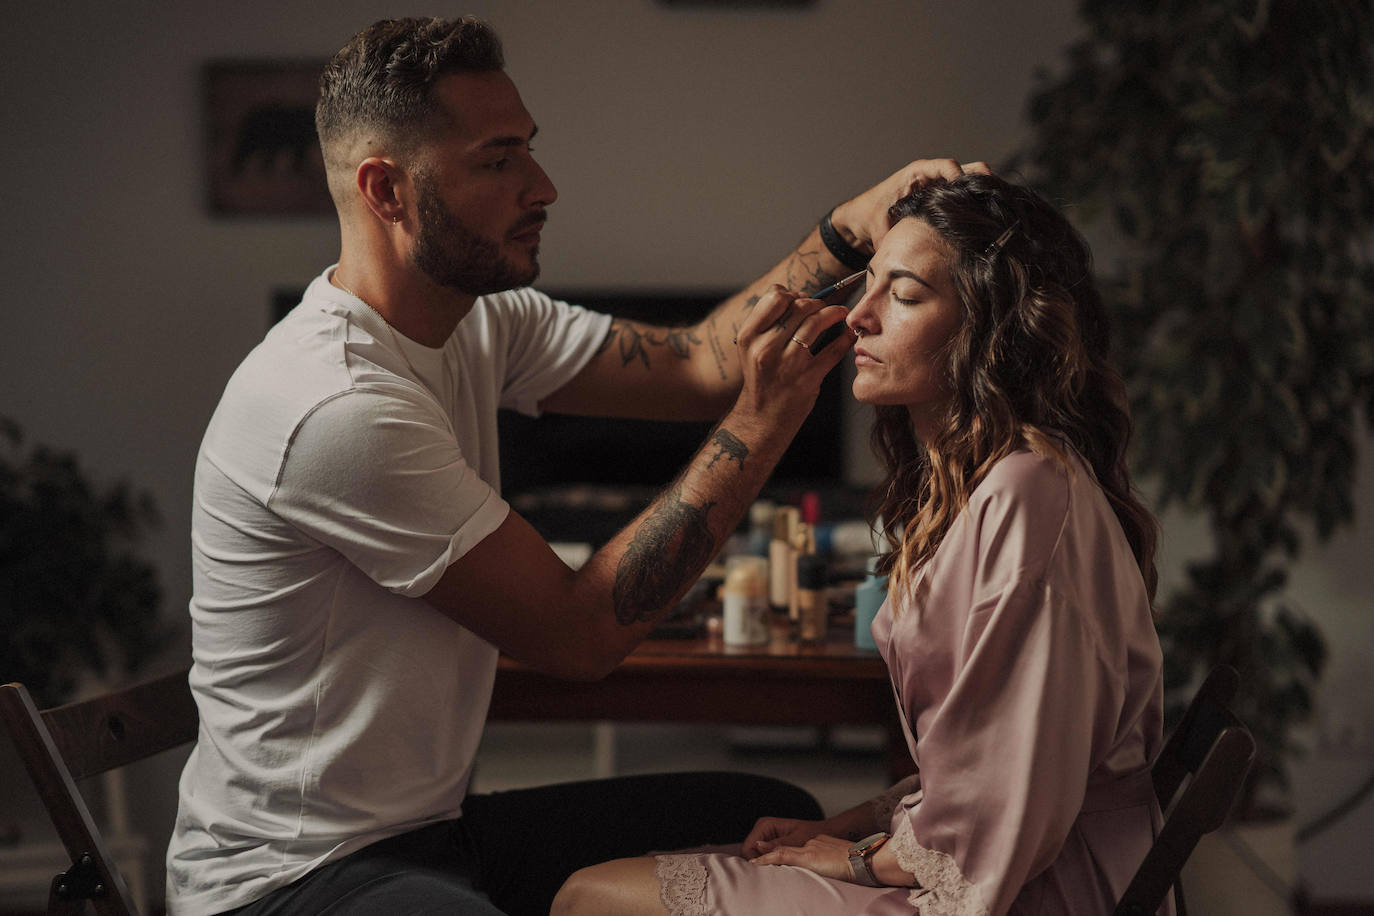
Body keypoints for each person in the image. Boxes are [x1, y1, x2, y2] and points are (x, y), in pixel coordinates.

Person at [165, 14, 988, 916]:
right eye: (498, 159)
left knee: (775, 816)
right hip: (290, 879)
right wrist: (768, 418)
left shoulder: (478, 321)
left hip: (430, 833)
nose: (543, 185)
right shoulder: (334, 406)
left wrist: (845, 230)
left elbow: (698, 361)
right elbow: (579, 636)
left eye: (531, 150)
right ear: (386, 190)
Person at [552, 173, 1169, 915]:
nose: (858, 317)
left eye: (904, 296)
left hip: (1022, 895)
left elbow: (997, 810)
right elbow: (984, 767)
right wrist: (841, 827)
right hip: (991, 863)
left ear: (991, 329)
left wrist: (851, 859)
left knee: (591, 898)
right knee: (623, 879)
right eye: (866, 286)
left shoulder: (1027, 494)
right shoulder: (982, 488)